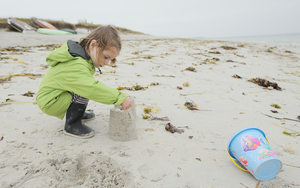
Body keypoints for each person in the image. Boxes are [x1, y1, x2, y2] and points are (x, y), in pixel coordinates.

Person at [36, 25, 132, 139]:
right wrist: (119, 98)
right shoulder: (76, 64)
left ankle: (77, 113)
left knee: (83, 86)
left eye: (110, 60)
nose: (107, 63)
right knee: (85, 88)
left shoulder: (81, 59)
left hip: (55, 95)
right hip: (50, 101)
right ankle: (72, 125)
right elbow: (91, 88)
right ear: (93, 45)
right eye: (106, 57)